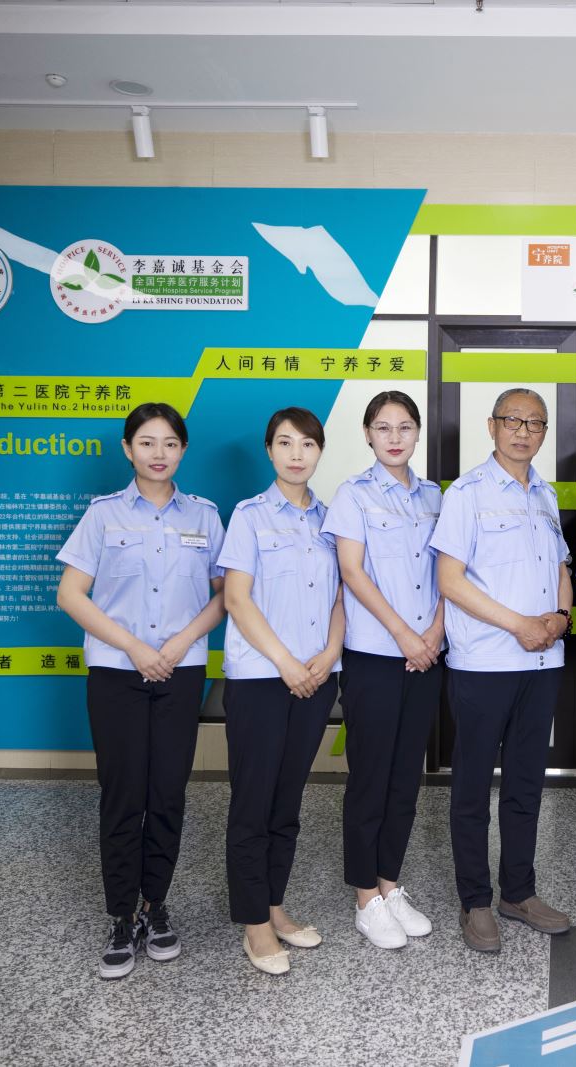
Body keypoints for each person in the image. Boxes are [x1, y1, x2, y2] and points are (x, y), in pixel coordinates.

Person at [55, 402, 226, 980]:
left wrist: (178, 644)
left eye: (170, 443)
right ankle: (121, 915)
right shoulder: (103, 515)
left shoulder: (205, 515)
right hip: (117, 673)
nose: (159, 453)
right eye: (147, 442)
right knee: (124, 794)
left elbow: (226, 595)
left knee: (168, 792)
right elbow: (70, 595)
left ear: (183, 450)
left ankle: (156, 906)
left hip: (181, 671)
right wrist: (134, 647)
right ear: (128, 449)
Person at [429, 387, 574, 953]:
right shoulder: (466, 493)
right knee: (471, 787)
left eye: (534, 423)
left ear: (544, 434)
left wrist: (560, 617)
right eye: (512, 420)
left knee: (525, 783)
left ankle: (519, 891)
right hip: (485, 661)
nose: (523, 431)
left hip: (542, 662)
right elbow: (450, 581)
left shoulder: (546, 494)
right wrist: (519, 624)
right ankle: (476, 900)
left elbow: (561, 569)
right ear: (491, 427)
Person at [218, 406, 345, 975]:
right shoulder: (249, 516)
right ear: (269, 450)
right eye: (286, 443)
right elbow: (237, 598)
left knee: (287, 801)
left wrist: (329, 654)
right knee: (253, 802)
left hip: (316, 678)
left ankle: (274, 905)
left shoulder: (331, 520)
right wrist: (286, 662)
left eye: (308, 444)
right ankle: (254, 924)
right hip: (262, 679)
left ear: (320, 451)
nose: (297, 454)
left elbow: (342, 597)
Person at [323, 391, 444, 949]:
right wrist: (404, 635)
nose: (394, 437)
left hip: (427, 656)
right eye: (383, 427)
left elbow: (449, 573)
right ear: (368, 435)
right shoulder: (354, 495)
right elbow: (352, 571)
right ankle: (365, 898)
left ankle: (391, 886)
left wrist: (434, 633)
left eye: (404, 427)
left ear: (417, 433)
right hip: (375, 654)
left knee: (404, 780)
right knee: (370, 779)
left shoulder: (436, 497)